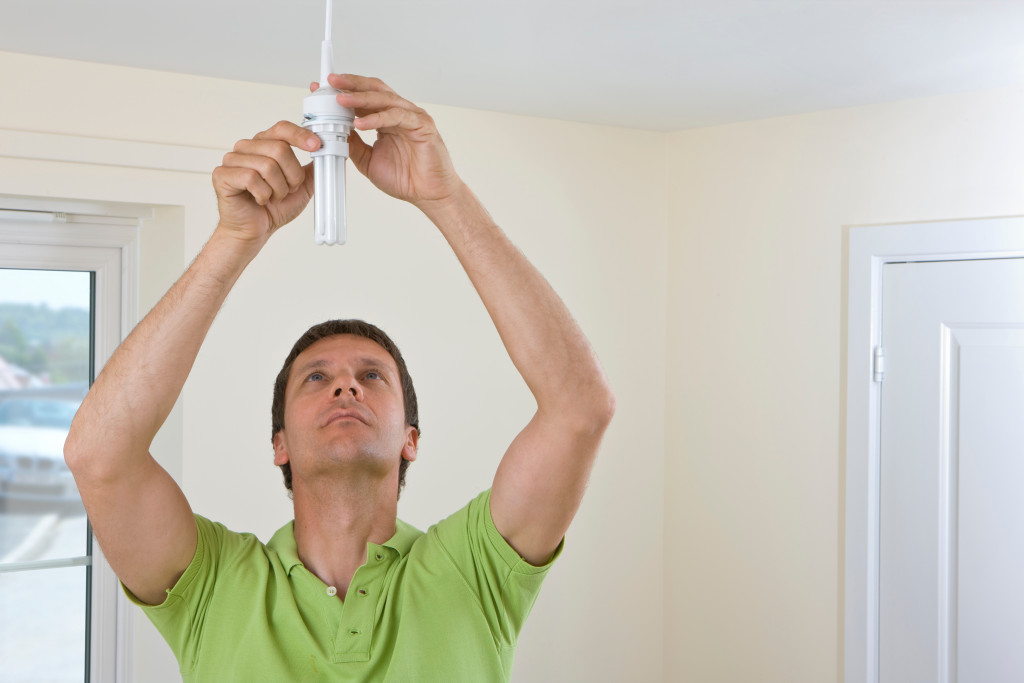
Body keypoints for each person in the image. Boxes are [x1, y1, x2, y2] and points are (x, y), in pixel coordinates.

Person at [64, 73, 615, 682]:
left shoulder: (475, 568)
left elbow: (579, 408)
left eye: (372, 376)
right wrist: (235, 239)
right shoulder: (215, 583)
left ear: (411, 437)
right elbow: (98, 454)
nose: (345, 386)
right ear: (280, 444)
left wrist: (445, 197)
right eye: (316, 377)